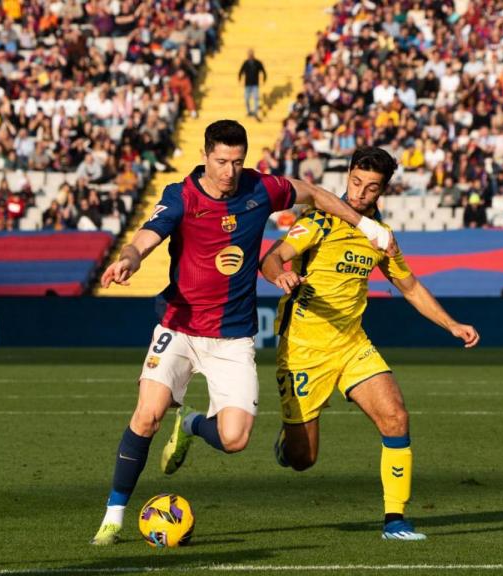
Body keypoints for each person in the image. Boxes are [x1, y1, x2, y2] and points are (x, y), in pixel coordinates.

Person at [89, 120, 394, 545]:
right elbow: (146, 236)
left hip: (232, 338)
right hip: (179, 326)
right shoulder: (182, 196)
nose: (230, 171)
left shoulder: (261, 189)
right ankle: (114, 516)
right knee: (147, 415)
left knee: (235, 438)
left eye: (237, 161)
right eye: (221, 161)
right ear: (205, 155)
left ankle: (193, 424)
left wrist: (367, 227)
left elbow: (317, 195)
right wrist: (129, 260)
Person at [261, 147, 480, 541]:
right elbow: (273, 258)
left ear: (383, 191)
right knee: (303, 459)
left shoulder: (381, 237)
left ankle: (395, 520)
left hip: (351, 343)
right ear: (348, 176)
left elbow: (409, 285)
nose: (359, 193)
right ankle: (277, 439)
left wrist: (451, 324)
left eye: (370, 188)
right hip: (304, 348)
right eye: (355, 182)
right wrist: (281, 276)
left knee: (395, 417)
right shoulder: (320, 221)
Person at [238, 49, 266, 119]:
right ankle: (249, 111)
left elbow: (263, 71)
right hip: (247, 84)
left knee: (255, 98)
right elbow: (241, 71)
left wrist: (264, 78)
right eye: (249, 55)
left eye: (251, 55)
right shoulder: (246, 63)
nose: (250, 56)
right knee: (247, 99)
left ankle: (255, 112)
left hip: (255, 84)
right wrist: (239, 78)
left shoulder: (257, 63)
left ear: (253, 55)